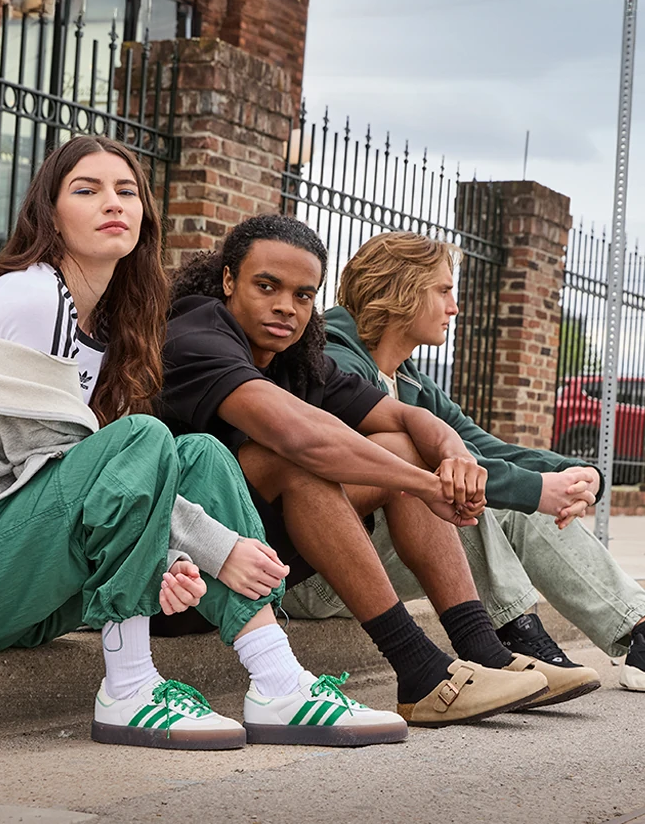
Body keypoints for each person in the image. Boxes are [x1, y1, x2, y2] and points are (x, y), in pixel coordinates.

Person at [0, 138, 406, 750]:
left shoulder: (108, 317)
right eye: (86, 190)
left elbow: (92, 492)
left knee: (198, 452)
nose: (111, 203)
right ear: (51, 212)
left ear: (145, 213)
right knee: (144, 437)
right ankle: (128, 689)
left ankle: (277, 679)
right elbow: (66, 465)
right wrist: (212, 545)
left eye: (126, 191)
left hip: (28, 580)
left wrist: (166, 557)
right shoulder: (31, 296)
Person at [158, 214, 602, 726]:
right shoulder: (194, 334)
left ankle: (482, 650)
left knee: (399, 443)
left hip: (251, 562)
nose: (287, 306)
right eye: (266, 286)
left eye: (304, 295)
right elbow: (300, 436)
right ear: (229, 280)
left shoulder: (296, 355)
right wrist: (428, 483)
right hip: (178, 574)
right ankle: (418, 668)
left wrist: (452, 452)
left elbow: (407, 417)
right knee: (297, 461)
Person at [301, 230, 645, 700]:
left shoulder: (409, 379)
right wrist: (535, 491)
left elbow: (483, 446)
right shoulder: (336, 361)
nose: (455, 306)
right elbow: (407, 470)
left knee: (504, 494)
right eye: (443, 290)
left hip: (375, 561)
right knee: (477, 498)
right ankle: (515, 638)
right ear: (401, 289)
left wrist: (574, 472)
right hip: (322, 573)